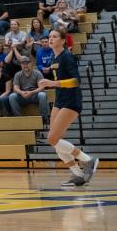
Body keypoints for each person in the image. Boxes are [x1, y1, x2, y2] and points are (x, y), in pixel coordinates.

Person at [37, 29, 98, 186]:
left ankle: (88, 159)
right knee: (54, 139)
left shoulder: (67, 56)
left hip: (71, 101)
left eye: (55, 36)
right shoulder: (54, 57)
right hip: (60, 100)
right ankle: (78, 174)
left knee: (52, 139)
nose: (50, 39)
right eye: (49, 36)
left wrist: (53, 83)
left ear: (63, 40)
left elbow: (76, 81)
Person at [10, 57, 49, 124]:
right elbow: (15, 88)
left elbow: (42, 88)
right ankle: (19, 119)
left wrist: (31, 92)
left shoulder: (37, 73)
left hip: (34, 95)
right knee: (12, 96)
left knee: (42, 95)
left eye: (27, 63)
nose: (25, 65)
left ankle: (44, 119)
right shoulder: (18, 74)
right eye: (23, 64)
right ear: (21, 65)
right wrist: (21, 92)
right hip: (23, 95)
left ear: (31, 64)